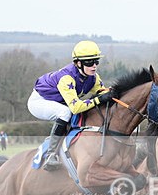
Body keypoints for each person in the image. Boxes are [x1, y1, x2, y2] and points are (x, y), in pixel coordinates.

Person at [28, 40, 109, 170]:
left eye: (96, 61)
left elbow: (103, 93)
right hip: (39, 101)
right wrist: (98, 100)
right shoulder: (67, 78)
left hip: (60, 102)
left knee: (77, 112)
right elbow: (76, 107)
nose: (94, 66)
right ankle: (51, 155)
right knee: (65, 112)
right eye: (89, 62)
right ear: (78, 63)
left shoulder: (93, 77)